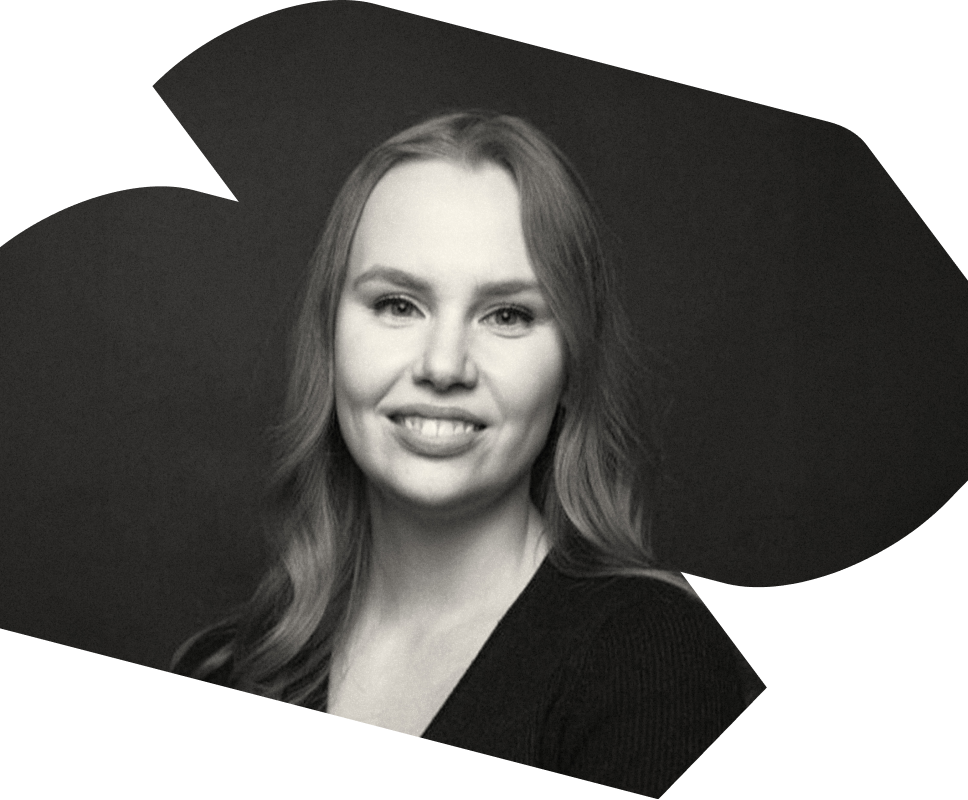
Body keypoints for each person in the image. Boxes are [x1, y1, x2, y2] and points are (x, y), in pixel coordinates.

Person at [171, 109, 762, 796]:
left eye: (508, 315)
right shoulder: (224, 664)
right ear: (329, 338)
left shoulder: (651, 659)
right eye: (398, 304)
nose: (444, 365)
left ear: (573, 367)